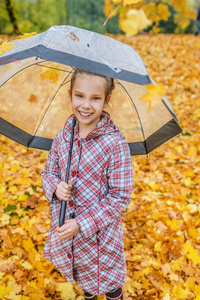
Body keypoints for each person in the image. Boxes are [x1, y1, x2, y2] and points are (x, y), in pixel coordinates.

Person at [41, 68, 133, 300]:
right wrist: (55, 187)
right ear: (70, 94)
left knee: (108, 282)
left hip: (100, 237)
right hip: (69, 234)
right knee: (85, 280)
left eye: (95, 98)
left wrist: (82, 223)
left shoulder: (114, 144)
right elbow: (49, 171)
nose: (86, 105)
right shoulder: (63, 137)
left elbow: (119, 197)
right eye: (79, 96)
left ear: (106, 100)